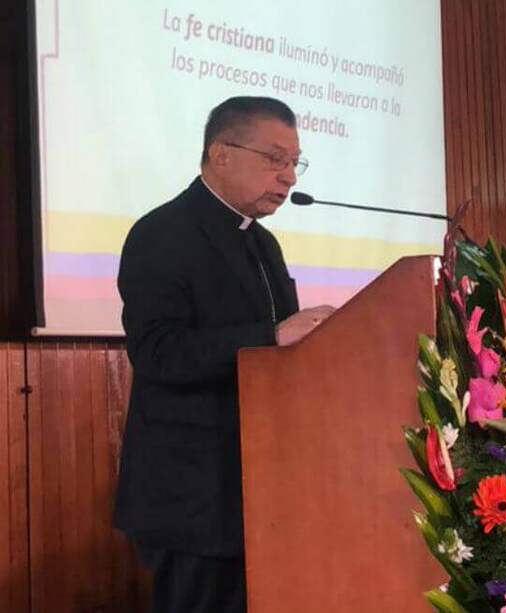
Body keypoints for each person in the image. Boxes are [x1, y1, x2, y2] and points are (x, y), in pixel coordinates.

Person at [113, 96, 335, 612]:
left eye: (294, 163)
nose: (288, 178)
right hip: (193, 495)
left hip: (260, 485)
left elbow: (284, 355)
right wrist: (272, 335)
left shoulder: (264, 244)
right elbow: (157, 352)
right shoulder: (161, 233)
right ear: (221, 154)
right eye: (274, 159)